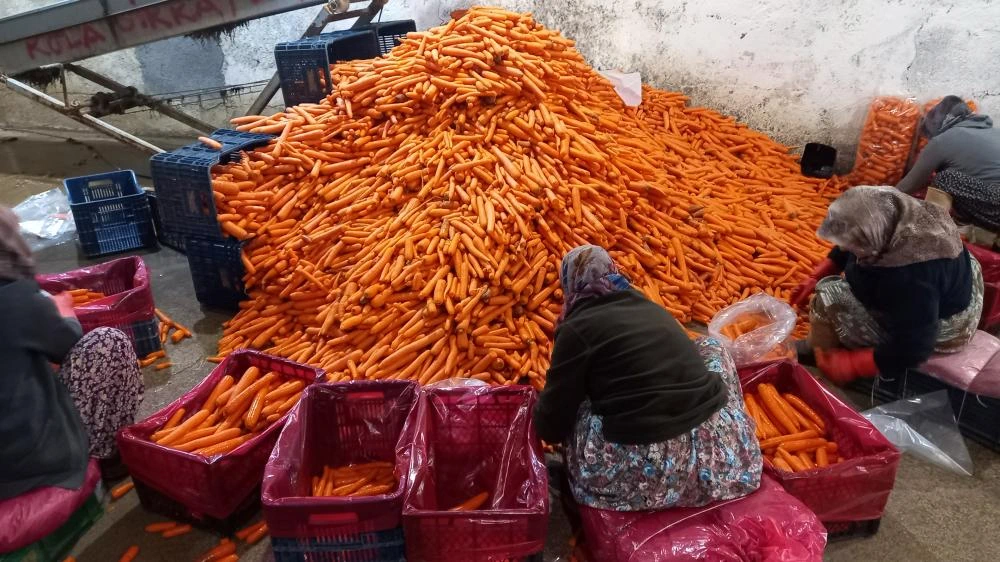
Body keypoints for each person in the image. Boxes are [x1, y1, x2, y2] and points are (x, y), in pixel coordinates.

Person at [533, 245, 761, 511]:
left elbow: (552, 425)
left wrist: (541, 409)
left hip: (649, 470)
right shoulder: (645, 303)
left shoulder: (576, 327)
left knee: (577, 408)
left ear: (569, 285)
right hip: (722, 454)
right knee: (711, 347)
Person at [0, 206, 143, 499]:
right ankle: (107, 457)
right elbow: (66, 345)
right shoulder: (16, 297)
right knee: (107, 343)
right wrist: (65, 313)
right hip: (32, 464)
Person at [791, 186, 983, 384]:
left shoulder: (910, 277)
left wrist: (854, 364)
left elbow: (916, 345)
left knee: (831, 294)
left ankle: (817, 350)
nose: (843, 247)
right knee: (851, 269)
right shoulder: (897, 214)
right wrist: (816, 275)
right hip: (955, 285)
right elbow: (851, 240)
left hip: (944, 326)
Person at [896, 96, 1000, 230]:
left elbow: (909, 185)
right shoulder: (993, 132)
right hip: (992, 203)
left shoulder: (943, 140)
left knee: (946, 179)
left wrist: (880, 198)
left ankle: (929, 233)